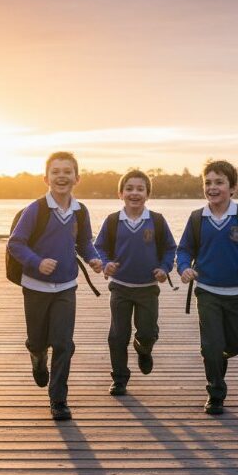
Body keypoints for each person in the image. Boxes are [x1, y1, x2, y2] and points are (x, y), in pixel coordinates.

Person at [7, 151, 103, 420]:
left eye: (67, 171)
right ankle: (37, 357)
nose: (62, 176)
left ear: (77, 177)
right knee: (38, 340)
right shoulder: (35, 209)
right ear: (46, 178)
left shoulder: (80, 211)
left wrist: (94, 259)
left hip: (65, 287)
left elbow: (84, 243)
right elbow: (16, 243)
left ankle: (58, 399)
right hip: (35, 287)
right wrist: (37, 262)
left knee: (63, 343)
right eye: (56, 172)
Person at [177, 160, 238, 415]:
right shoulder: (197, 218)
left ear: (233, 187)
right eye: (208, 182)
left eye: (219, 182)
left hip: (237, 293)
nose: (212, 187)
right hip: (206, 291)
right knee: (211, 345)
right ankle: (215, 392)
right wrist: (184, 268)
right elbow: (184, 250)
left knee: (236, 343)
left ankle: (220, 355)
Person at [94, 170, 176, 396]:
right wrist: (106, 263)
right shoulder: (112, 221)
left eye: (140, 189)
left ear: (148, 194)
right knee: (118, 335)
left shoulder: (157, 221)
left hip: (148, 289)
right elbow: (99, 246)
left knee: (147, 331)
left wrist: (164, 268)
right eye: (129, 188)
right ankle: (119, 378)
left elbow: (170, 248)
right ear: (120, 193)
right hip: (120, 287)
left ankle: (144, 349)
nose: (134, 193)